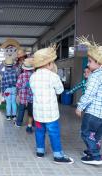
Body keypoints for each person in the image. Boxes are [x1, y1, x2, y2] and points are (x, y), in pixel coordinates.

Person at [29, 45, 74, 164]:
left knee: (39, 132)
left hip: (38, 113)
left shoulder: (32, 77)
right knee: (54, 133)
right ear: (49, 64)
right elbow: (60, 91)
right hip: (51, 114)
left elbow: (33, 91)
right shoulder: (53, 76)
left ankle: (40, 151)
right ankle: (58, 156)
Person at [75, 37, 102, 165]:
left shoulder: (95, 76)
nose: (87, 64)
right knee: (96, 135)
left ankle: (95, 157)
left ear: (99, 63)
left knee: (86, 133)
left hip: (93, 113)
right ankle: (93, 151)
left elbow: (89, 94)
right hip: (101, 115)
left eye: (90, 61)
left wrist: (80, 107)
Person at [16, 58, 34, 133]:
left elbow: (18, 85)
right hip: (31, 97)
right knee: (31, 111)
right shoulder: (34, 75)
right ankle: (32, 124)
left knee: (21, 110)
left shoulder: (21, 75)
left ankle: (19, 123)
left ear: (24, 68)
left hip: (23, 97)